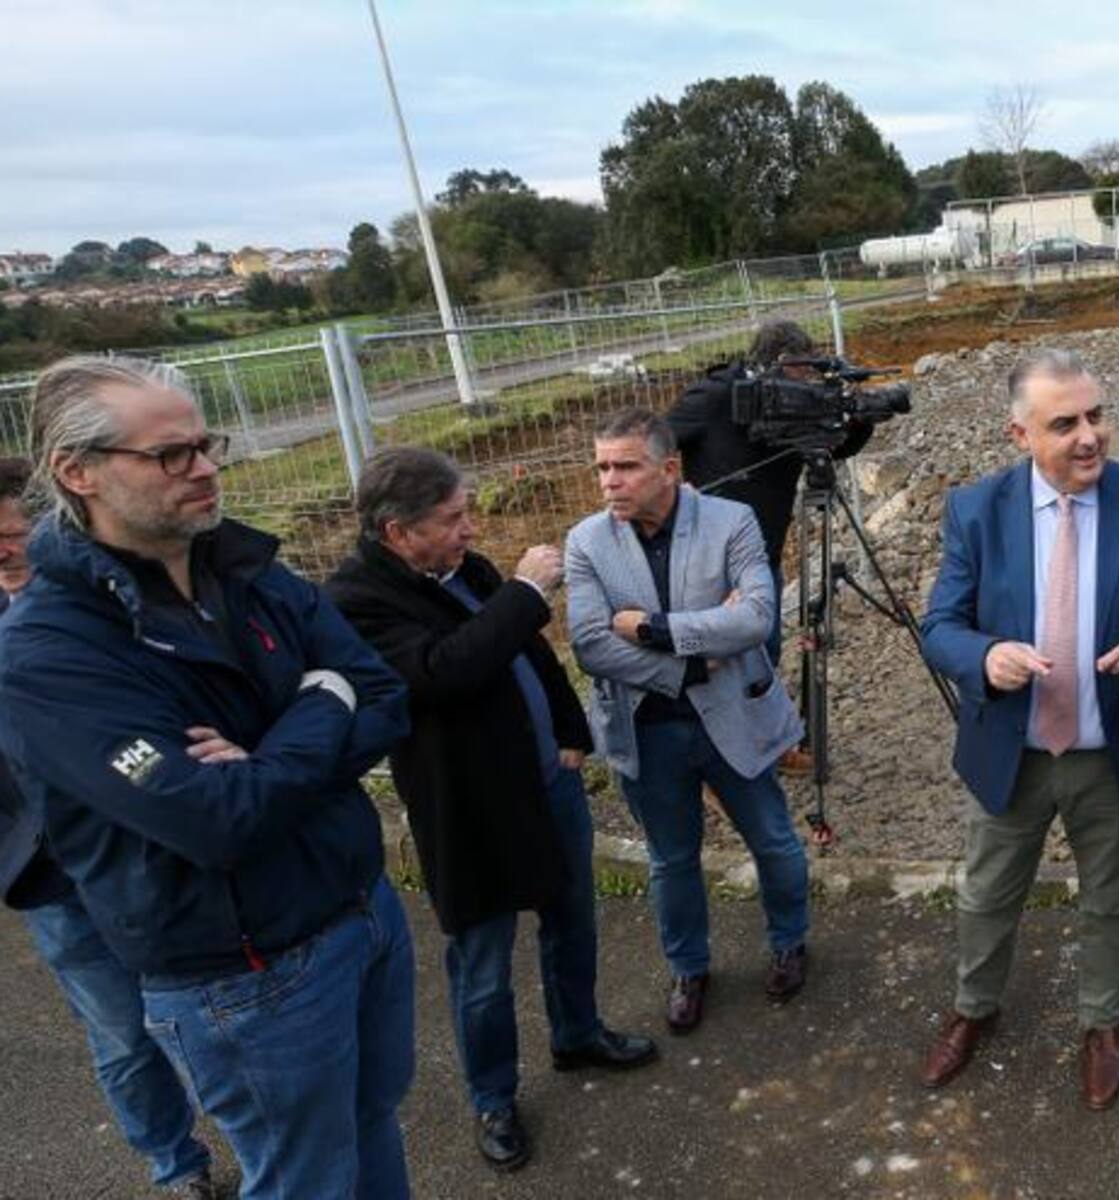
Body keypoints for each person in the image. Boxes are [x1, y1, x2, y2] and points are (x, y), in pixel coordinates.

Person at [0, 356, 416, 1198]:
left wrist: (274, 749)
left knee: (373, 1128)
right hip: (248, 976)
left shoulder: (241, 567)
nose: (204, 467)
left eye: (204, 444)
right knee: (308, 1180)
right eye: (170, 455)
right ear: (76, 473)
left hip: (360, 910)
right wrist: (318, 700)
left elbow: (382, 691)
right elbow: (217, 819)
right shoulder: (50, 654)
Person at [327, 446, 657, 1174]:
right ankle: (493, 1096)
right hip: (470, 808)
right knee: (482, 963)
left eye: (466, 512)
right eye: (450, 519)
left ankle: (577, 1033)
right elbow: (442, 674)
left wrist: (570, 732)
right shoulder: (357, 601)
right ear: (395, 532)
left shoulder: (458, 569)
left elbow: (528, 656)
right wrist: (525, 594)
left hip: (548, 785)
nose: (468, 529)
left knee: (573, 919)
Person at [920, 348, 1119, 1111]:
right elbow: (938, 625)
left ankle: (1100, 1025)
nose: (1090, 437)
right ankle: (973, 1009)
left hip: (1114, 754)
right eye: (1065, 423)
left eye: (1098, 416)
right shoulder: (975, 510)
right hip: (1011, 751)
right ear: (1019, 435)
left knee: (1110, 900)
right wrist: (984, 655)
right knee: (986, 895)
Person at [0, 457, 214, 1198]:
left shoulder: (109, 608)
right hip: (54, 877)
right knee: (121, 1035)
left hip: (147, 855)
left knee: (200, 1016)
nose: (2, 548)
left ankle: (267, 1142)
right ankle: (176, 1167)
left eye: (12, 531)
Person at [565, 408, 811, 1035]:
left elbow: (756, 617)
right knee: (671, 859)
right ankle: (688, 968)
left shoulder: (733, 522)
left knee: (774, 841)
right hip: (648, 728)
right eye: (602, 468)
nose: (609, 482)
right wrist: (695, 660)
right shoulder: (586, 541)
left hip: (736, 717)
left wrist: (653, 629)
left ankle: (790, 942)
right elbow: (592, 644)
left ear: (669, 469)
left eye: (626, 466)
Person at [666, 319, 870, 666]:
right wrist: (674, 496)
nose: (808, 381)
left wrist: (860, 417)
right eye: (804, 371)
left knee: (764, 658)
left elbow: (836, 447)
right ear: (784, 360)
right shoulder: (715, 396)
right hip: (709, 564)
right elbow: (651, 446)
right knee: (717, 664)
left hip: (764, 557)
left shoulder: (800, 402)